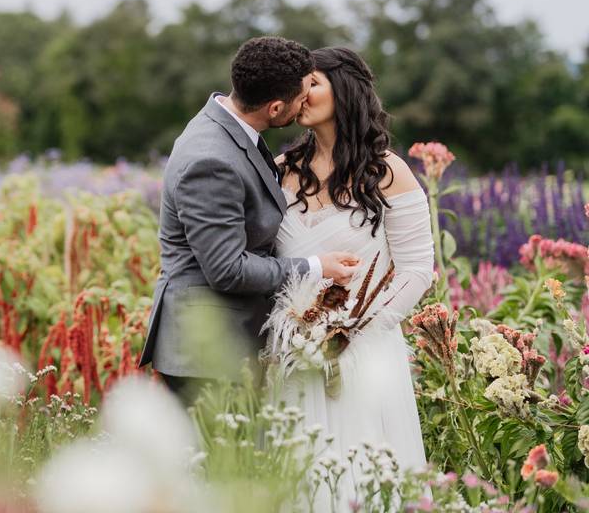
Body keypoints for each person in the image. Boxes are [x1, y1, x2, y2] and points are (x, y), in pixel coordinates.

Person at [138, 36, 360, 406]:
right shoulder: (211, 159)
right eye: (302, 94)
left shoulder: (227, 126)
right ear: (275, 108)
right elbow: (227, 269)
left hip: (225, 345)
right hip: (206, 351)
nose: (306, 101)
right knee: (215, 463)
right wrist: (316, 267)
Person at [272, 47, 433, 509]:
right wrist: (299, 332)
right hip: (291, 352)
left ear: (343, 91)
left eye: (313, 83)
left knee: (360, 477)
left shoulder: (388, 172)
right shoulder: (280, 171)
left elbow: (418, 269)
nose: (301, 94)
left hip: (363, 351)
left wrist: (351, 331)